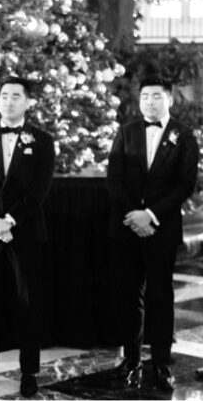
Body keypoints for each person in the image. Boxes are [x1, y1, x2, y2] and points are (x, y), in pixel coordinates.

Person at [108, 79, 200, 392]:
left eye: (156, 96)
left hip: (162, 229)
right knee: (128, 296)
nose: (149, 101)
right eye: (145, 96)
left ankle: (161, 362)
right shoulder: (126, 131)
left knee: (161, 296)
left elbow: (186, 183)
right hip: (128, 227)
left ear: (169, 99)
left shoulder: (184, 135)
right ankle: (131, 360)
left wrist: (152, 215)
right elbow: (115, 179)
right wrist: (135, 216)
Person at [0, 77, 55, 397]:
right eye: (4, 96)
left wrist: (11, 220)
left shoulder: (42, 140)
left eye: (16, 96)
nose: (9, 101)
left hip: (26, 230)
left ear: (27, 102)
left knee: (28, 302)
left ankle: (29, 370)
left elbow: (40, 189)